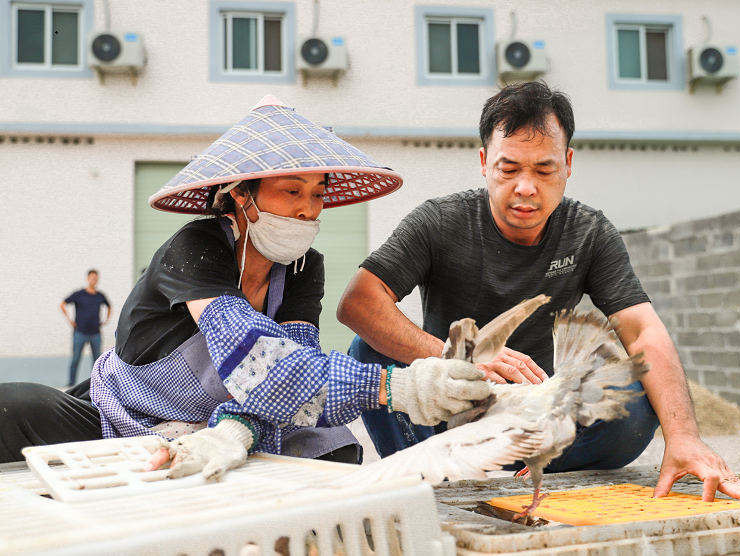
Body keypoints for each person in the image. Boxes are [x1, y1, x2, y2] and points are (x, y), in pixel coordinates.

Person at [0, 96, 491, 480]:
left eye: (318, 194)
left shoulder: (303, 269)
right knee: (15, 406)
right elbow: (256, 359)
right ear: (241, 195)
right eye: (292, 191)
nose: (308, 210)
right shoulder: (196, 247)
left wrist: (234, 431)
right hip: (126, 416)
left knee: (334, 447)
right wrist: (397, 386)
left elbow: (295, 381)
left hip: (225, 424)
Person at [337, 81, 740, 503]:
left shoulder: (589, 233)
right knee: (368, 351)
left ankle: (529, 477)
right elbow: (359, 301)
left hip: (538, 425)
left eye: (543, 169)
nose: (525, 187)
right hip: (445, 416)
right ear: (484, 162)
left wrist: (684, 437)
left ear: (568, 163)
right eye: (509, 168)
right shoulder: (439, 221)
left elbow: (642, 329)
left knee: (634, 402)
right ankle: (431, 482)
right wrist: (455, 358)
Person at [60, 269, 111, 387]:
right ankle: (71, 383)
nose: (94, 280)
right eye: (92, 277)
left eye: (96, 278)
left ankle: (98, 384)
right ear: (88, 279)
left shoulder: (100, 295)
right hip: (80, 332)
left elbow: (109, 307)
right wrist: (70, 321)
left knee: (98, 360)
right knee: (76, 358)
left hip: (95, 333)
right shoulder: (79, 294)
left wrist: (106, 320)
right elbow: (63, 304)